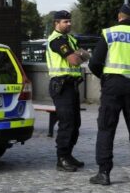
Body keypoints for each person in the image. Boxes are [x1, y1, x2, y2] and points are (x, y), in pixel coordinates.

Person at [88, 4, 130, 186]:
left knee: (106, 129)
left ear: (119, 16)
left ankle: (104, 173)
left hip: (112, 87)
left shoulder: (109, 33)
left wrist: (105, 77)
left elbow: (94, 62)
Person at [46, 10, 90, 172]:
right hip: (61, 85)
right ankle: (61, 158)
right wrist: (78, 54)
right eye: (65, 22)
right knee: (67, 122)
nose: (69, 24)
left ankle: (69, 155)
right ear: (56, 23)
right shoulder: (56, 40)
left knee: (75, 123)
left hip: (71, 85)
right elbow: (75, 60)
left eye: (70, 21)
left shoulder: (70, 39)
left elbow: (86, 55)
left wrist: (79, 54)